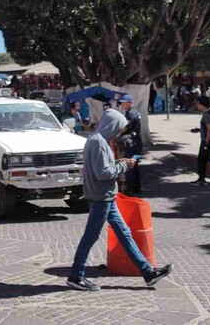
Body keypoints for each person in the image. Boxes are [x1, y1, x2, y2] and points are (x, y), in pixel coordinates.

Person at [66, 109, 172, 291]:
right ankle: (76, 276)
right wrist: (124, 165)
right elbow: (103, 173)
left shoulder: (97, 140)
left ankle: (148, 273)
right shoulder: (99, 142)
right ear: (112, 125)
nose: (120, 132)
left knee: (124, 233)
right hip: (101, 197)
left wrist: (118, 162)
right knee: (90, 237)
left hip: (105, 196)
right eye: (120, 128)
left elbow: (103, 167)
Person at [118, 95, 143, 194]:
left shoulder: (130, 114)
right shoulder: (135, 111)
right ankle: (137, 188)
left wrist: (116, 134)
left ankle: (130, 189)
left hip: (131, 143)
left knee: (129, 165)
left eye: (124, 102)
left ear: (129, 102)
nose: (122, 104)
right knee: (135, 165)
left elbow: (125, 128)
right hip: (137, 142)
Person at [191, 96, 210, 186]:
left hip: (207, 141)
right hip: (208, 140)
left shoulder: (207, 114)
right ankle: (201, 179)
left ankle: (201, 179)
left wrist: (206, 141)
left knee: (207, 159)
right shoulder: (209, 112)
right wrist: (199, 130)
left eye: (198, 103)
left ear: (202, 104)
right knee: (203, 159)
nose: (197, 105)